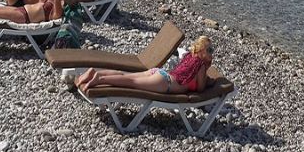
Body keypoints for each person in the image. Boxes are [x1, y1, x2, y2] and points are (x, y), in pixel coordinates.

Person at [76, 36, 214, 93]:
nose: (211, 53)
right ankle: (99, 79)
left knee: (126, 76)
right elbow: (200, 89)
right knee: (130, 82)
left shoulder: (188, 57)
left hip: (159, 73)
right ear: (202, 50)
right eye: (210, 50)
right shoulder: (200, 65)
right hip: (165, 83)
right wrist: (206, 70)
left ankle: (96, 72)